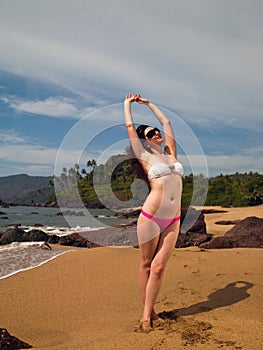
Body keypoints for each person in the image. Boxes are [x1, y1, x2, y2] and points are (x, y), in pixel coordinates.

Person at [124, 93, 184, 332]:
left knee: (160, 267)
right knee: (147, 264)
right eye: (150, 133)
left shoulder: (171, 153)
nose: (156, 134)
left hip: (174, 218)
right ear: (144, 141)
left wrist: (149, 105)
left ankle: (150, 311)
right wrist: (127, 104)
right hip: (151, 216)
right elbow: (129, 125)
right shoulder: (145, 156)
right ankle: (147, 315)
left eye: (155, 131)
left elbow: (168, 123)